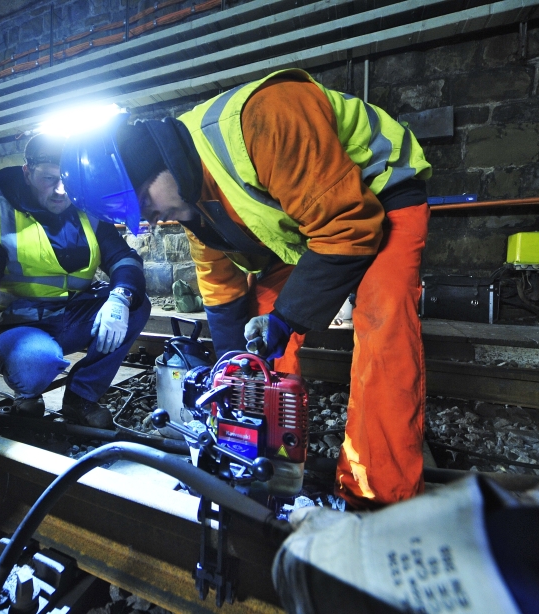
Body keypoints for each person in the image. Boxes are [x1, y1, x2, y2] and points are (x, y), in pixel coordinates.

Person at [60, 69, 432, 507]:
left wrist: (287, 318)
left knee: (381, 326)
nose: (153, 218)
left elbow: (346, 227)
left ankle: (379, 494)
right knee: (260, 358)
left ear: (159, 159)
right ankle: (269, 466)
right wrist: (233, 366)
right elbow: (222, 292)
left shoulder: (265, 118)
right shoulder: (192, 205)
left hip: (377, 195)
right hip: (296, 233)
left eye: (144, 202)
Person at [271, 237, 539, 614]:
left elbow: (345, 226)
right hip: (306, 236)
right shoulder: (212, 207)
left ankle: (382, 498)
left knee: (385, 337)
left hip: (375, 211)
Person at [0, 133, 151, 437]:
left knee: (137, 304)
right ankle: (27, 394)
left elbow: (124, 259)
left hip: (72, 318)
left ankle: (81, 398)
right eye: (49, 178)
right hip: (18, 326)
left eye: (67, 180)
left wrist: (120, 298)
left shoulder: (88, 212)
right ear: (27, 173)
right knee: (36, 363)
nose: (60, 191)